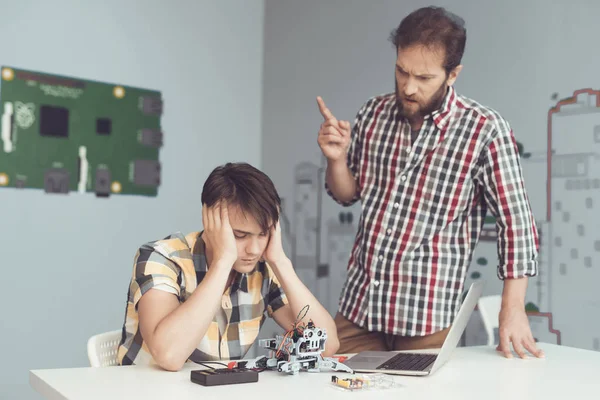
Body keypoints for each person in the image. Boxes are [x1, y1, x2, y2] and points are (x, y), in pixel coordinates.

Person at [316, 6, 543, 359]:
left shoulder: (485, 130)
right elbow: (347, 194)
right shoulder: (372, 114)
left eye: (423, 78)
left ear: (452, 74)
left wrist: (512, 310)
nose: (408, 87)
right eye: (401, 71)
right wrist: (336, 159)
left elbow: (517, 225)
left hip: (426, 320)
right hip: (360, 308)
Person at [117, 162, 339, 370]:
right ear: (209, 222)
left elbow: (326, 346)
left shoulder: (263, 269)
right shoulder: (161, 258)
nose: (254, 249)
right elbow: (169, 355)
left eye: (263, 234)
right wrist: (222, 263)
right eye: (240, 235)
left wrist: (280, 261)